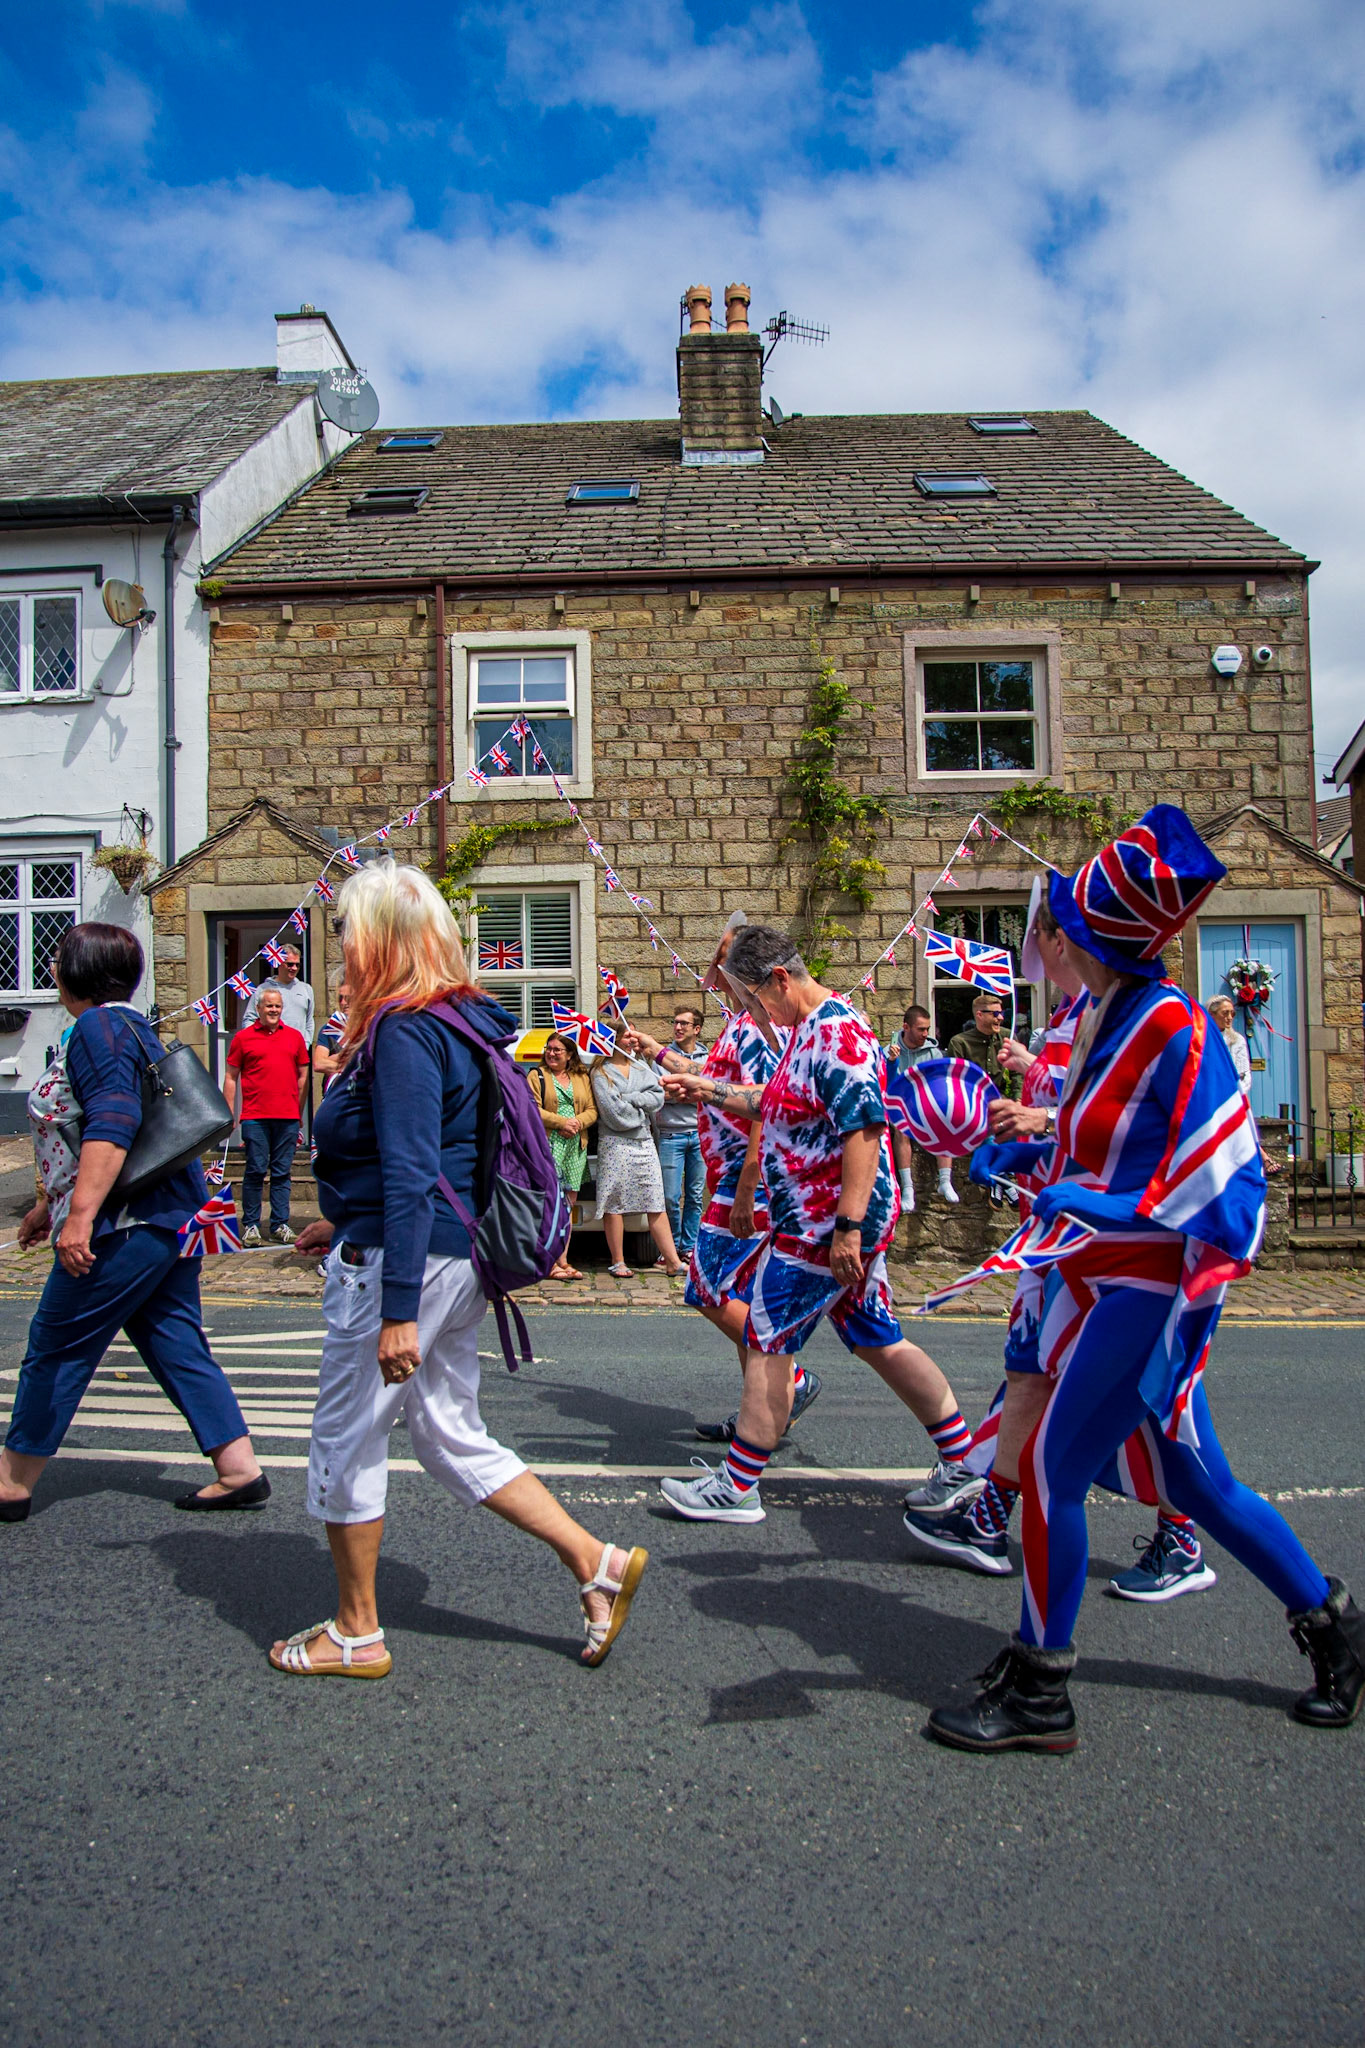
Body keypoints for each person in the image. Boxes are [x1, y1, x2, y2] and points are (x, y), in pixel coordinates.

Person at [924, 806, 1365, 1753]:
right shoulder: (1105, 1016)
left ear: (1092, 938)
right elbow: (1108, 1148)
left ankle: (1041, 1689)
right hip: (1099, 1283)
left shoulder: (1170, 1023)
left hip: (1145, 1293)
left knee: (1050, 1473)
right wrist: (1026, 1148)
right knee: (1198, 1486)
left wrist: (1098, 1204)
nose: (1048, 939)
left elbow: (1225, 1181)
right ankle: (1338, 1629)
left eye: (1061, 925)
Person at [276, 860, 647, 1678]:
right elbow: (442, 1152)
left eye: (346, 931)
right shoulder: (461, 1019)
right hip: (453, 1255)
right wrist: (345, 1216)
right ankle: (596, 1563)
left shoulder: (404, 1030)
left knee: (346, 1441)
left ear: (379, 940)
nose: (339, 946)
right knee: (448, 1433)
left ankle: (355, 1633)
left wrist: (396, 1309)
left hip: (405, 1265)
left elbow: (413, 1170)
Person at [904, 885, 1215, 1603]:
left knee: (1150, 1398)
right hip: (1062, 1234)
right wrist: (1023, 1143)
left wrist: (1041, 1121)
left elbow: (1147, 1127)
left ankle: (1185, 1540)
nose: (1039, 954)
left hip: (1120, 1243)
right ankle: (996, 1515)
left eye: (1044, 938)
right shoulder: (1085, 1013)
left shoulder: (1149, 1013)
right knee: (1031, 1368)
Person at [656, 923, 980, 1526]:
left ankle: (737, 1486)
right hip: (821, 1217)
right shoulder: (808, 1029)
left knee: (766, 1335)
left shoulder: (837, 1034)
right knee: (875, 1336)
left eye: (755, 998)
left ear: (780, 979)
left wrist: (848, 1229)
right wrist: (706, 1087)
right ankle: (964, 1461)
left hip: (824, 1222)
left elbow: (865, 1130)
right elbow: (774, 1101)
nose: (756, 1013)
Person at [0, 922, 268, 1522]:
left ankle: (11, 1482)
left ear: (77, 972)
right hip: (170, 1215)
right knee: (173, 1337)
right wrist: (50, 1206)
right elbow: (123, 1129)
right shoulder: (131, 1025)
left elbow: (115, 1122)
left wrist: (80, 1218)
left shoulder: (97, 1028)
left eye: (58, 960)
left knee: (57, 1343)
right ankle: (239, 1468)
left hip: (125, 1223)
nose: (52, 971)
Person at [627, 918, 820, 1446]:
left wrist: (746, 1186)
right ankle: (763, 1415)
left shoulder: (756, 1028)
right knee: (742, 1295)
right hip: (734, 1176)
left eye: (725, 960)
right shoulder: (740, 1023)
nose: (717, 969)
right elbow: (710, 1077)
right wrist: (655, 1050)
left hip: (745, 1180)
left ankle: (791, 1379)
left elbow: (767, 1104)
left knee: (707, 1287)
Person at [590, 1040, 686, 1280]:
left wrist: (630, 1098)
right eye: (627, 1037)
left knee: (655, 1200)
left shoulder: (641, 1066)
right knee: (614, 1202)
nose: (633, 1041)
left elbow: (658, 1098)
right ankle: (618, 1261)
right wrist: (641, 1107)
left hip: (644, 1142)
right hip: (615, 1143)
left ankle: (673, 1262)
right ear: (613, 1040)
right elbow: (614, 1115)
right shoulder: (600, 1072)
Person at [224, 985, 310, 1245]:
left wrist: (298, 1111)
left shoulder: (294, 1037)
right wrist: (229, 1113)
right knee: (255, 1170)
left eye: (278, 1006)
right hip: (255, 1116)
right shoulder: (243, 1038)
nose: (274, 1010)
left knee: (282, 1173)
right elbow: (231, 1077)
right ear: (258, 1008)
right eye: (269, 1005)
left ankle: (280, 1224)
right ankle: (251, 1225)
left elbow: (303, 1076)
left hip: (287, 1117)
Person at [527, 1030, 596, 1281]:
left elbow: (592, 1109)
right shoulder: (537, 1075)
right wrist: (561, 1123)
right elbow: (532, 1109)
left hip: (575, 1147)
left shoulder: (581, 1077)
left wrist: (577, 1123)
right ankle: (547, 1260)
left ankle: (562, 1259)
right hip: (549, 1145)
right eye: (549, 1048)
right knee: (549, 1204)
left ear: (569, 1055)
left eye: (557, 1049)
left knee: (568, 1204)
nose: (552, 1053)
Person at [883, 1003, 957, 1208]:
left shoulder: (933, 1053)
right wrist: (892, 1063)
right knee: (901, 1128)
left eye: (927, 1029)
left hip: (926, 1104)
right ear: (906, 1027)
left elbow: (939, 1085)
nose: (926, 1034)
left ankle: (945, 1181)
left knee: (944, 1121)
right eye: (921, 1029)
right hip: (901, 1106)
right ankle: (908, 1188)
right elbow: (887, 1087)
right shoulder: (889, 1051)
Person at [652, 1004, 708, 1263]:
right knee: (670, 1197)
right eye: (675, 1022)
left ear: (696, 1029)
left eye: (684, 1023)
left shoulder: (707, 1058)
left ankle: (689, 1246)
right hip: (670, 1135)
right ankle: (671, 1248)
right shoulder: (663, 1058)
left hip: (700, 1135)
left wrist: (680, 1092)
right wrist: (691, 1093)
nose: (678, 1027)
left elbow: (710, 1093)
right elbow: (658, 1094)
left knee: (695, 1196)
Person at [946, 989, 1014, 1092]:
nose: (1001, 1017)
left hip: (1002, 1096)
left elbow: (1017, 1072)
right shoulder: (960, 1043)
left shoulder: (1007, 1036)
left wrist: (1017, 1098)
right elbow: (955, 1078)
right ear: (980, 1015)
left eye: (1001, 1013)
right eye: (995, 1013)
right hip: (972, 1096)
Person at [243, 944, 314, 1041]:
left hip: (297, 1046)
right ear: (279, 963)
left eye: (297, 965)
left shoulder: (306, 989)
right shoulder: (262, 989)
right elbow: (249, 1019)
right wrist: (255, 1043)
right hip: (269, 1045)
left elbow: (309, 1021)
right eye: (290, 964)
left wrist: (306, 1043)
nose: (294, 968)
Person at [1208, 994, 1253, 1097]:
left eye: (1232, 1013)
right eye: (1225, 1013)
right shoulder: (1201, 1038)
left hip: (1232, 1096)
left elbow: (1244, 1075)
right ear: (1212, 1014)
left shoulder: (1237, 1040)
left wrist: (1233, 1095)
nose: (1229, 1018)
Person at [313, 980, 350, 1094]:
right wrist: (349, 1059)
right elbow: (319, 1063)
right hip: (334, 1094)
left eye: (348, 998)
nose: (343, 1003)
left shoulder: (369, 1027)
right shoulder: (329, 1029)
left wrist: (333, 1059)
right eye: (340, 998)